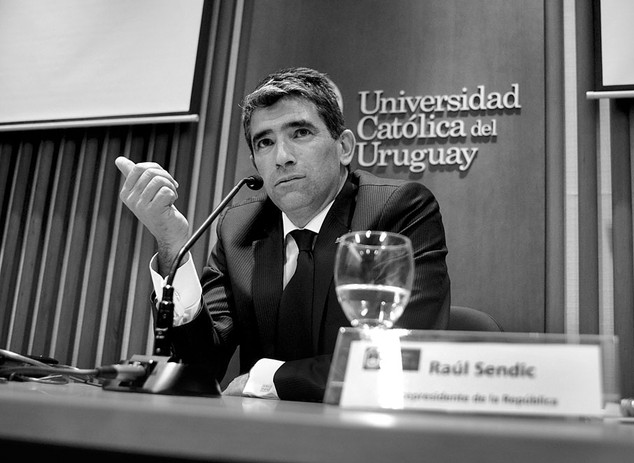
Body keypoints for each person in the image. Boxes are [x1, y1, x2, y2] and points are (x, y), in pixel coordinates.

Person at [115, 67, 450, 402]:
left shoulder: (398, 209)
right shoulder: (239, 228)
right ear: (255, 162)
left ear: (344, 147)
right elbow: (199, 367)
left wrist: (267, 378)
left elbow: (402, 355)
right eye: (265, 142)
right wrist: (172, 244)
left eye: (301, 133)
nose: (282, 157)